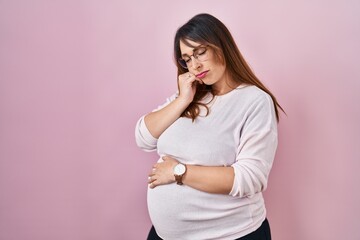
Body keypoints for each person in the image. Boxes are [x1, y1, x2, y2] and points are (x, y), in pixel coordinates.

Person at [135, 13, 284, 240]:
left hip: (230, 235)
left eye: (200, 52)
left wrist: (178, 172)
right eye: (186, 59)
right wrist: (182, 100)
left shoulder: (255, 101)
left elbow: (250, 179)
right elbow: (143, 137)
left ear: (221, 45)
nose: (194, 65)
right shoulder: (190, 96)